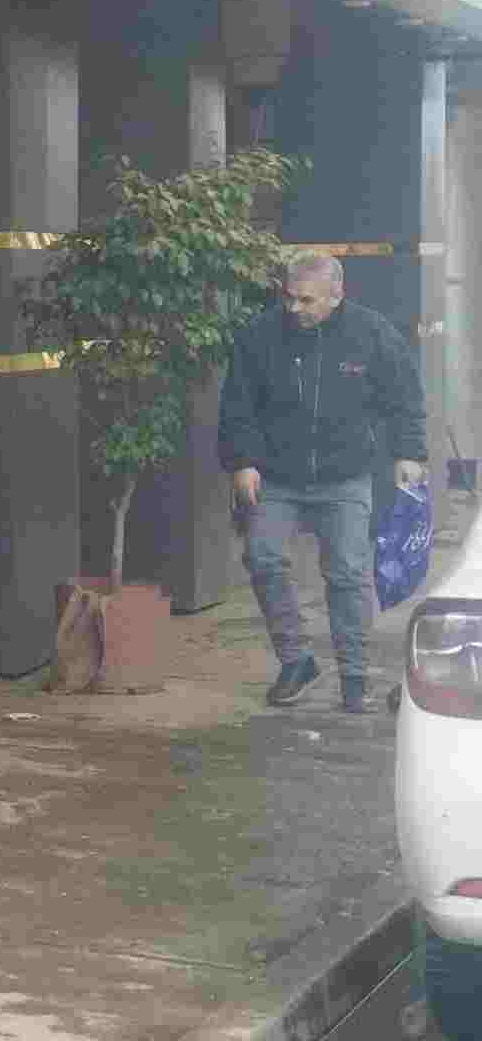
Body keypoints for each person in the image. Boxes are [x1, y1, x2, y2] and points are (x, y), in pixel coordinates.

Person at [217, 248, 427, 712]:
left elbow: (405, 396)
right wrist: (243, 461)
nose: (294, 308)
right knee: (263, 558)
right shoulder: (259, 335)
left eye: (306, 300)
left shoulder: (372, 333)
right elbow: (238, 404)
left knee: (348, 574)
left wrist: (410, 453)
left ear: (337, 294)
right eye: (289, 297)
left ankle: (354, 675)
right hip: (276, 474)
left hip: (346, 475)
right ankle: (296, 661)